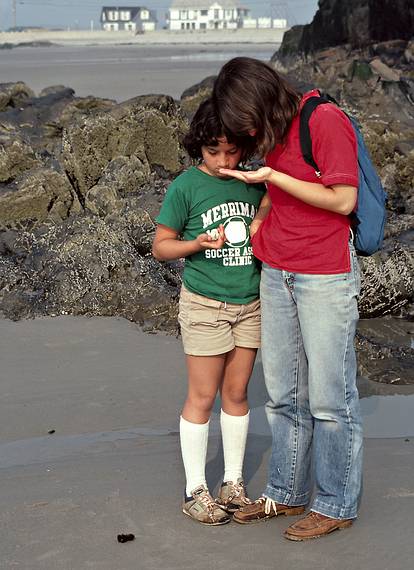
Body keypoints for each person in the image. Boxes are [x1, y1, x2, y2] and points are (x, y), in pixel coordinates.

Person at [212, 57, 363, 541]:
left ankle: (335, 503)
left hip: (325, 274)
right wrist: (259, 223)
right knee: (282, 396)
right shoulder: (274, 130)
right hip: (277, 271)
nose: (247, 133)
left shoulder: (324, 120)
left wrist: (272, 180)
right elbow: (279, 185)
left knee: (330, 401)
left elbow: (342, 199)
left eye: (246, 121)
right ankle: (286, 491)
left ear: (262, 97)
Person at [152, 98, 265, 525]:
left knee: (236, 395)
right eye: (213, 151)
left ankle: (233, 483)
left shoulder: (255, 182)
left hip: (250, 303)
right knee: (202, 397)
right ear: (199, 145)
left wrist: (261, 219)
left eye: (232, 151)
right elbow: (161, 247)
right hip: (204, 304)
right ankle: (195, 489)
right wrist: (196, 244)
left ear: (244, 147)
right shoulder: (186, 187)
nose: (222, 161)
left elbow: (276, 201)